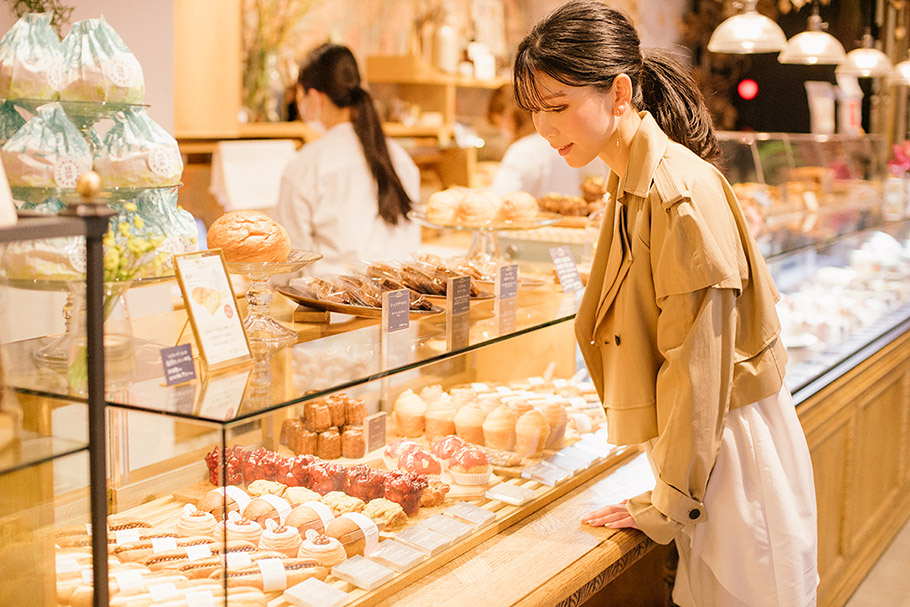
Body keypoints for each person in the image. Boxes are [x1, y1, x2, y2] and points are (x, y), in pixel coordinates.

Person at [513, 2, 818, 606]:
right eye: (534, 111)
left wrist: (667, 503)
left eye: (557, 106)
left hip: (732, 452)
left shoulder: (676, 192)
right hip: (704, 451)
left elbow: (697, 370)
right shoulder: (627, 180)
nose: (543, 129)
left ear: (619, 92)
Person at [276, 43, 420, 272]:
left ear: (314, 96)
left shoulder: (306, 164)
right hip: (401, 302)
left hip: (333, 303)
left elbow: (290, 263)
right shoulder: (400, 158)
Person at [487, 84, 608, 198]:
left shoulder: (522, 149)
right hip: (569, 214)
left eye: (499, 124)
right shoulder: (566, 141)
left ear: (508, 116)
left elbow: (499, 197)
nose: (503, 132)